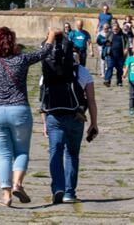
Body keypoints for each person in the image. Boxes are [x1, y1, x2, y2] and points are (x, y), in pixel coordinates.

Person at [0, 26, 56, 207]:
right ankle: (18, 183)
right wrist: (51, 34)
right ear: (11, 43)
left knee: (3, 154)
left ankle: (6, 195)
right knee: (21, 151)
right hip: (19, 111)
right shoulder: (22, 60)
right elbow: (44, 52)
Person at [39, 33, 99, 204]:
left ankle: (58, 186)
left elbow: (43, 99)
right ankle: (69, 193)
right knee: (72, 154)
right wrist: (94, 123)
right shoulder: (82, 71)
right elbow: (92, 100)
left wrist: (44, 123)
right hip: (76, 116)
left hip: (54, 116)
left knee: (55, 152)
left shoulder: (47, 71)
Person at [106, 21, 128, 87]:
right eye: (114, 29)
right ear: (112, 28)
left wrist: (126, 49)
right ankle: (107, 80)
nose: (115, 30)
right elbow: (105, 41)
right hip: (111, 54)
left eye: (116, 29)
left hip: (120, 55)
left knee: (119, 69)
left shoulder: (123, 35)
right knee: (110, 67)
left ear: (119, 28)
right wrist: (107, 45)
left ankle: (119, 82)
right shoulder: (109, 34)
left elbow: (127, 43)